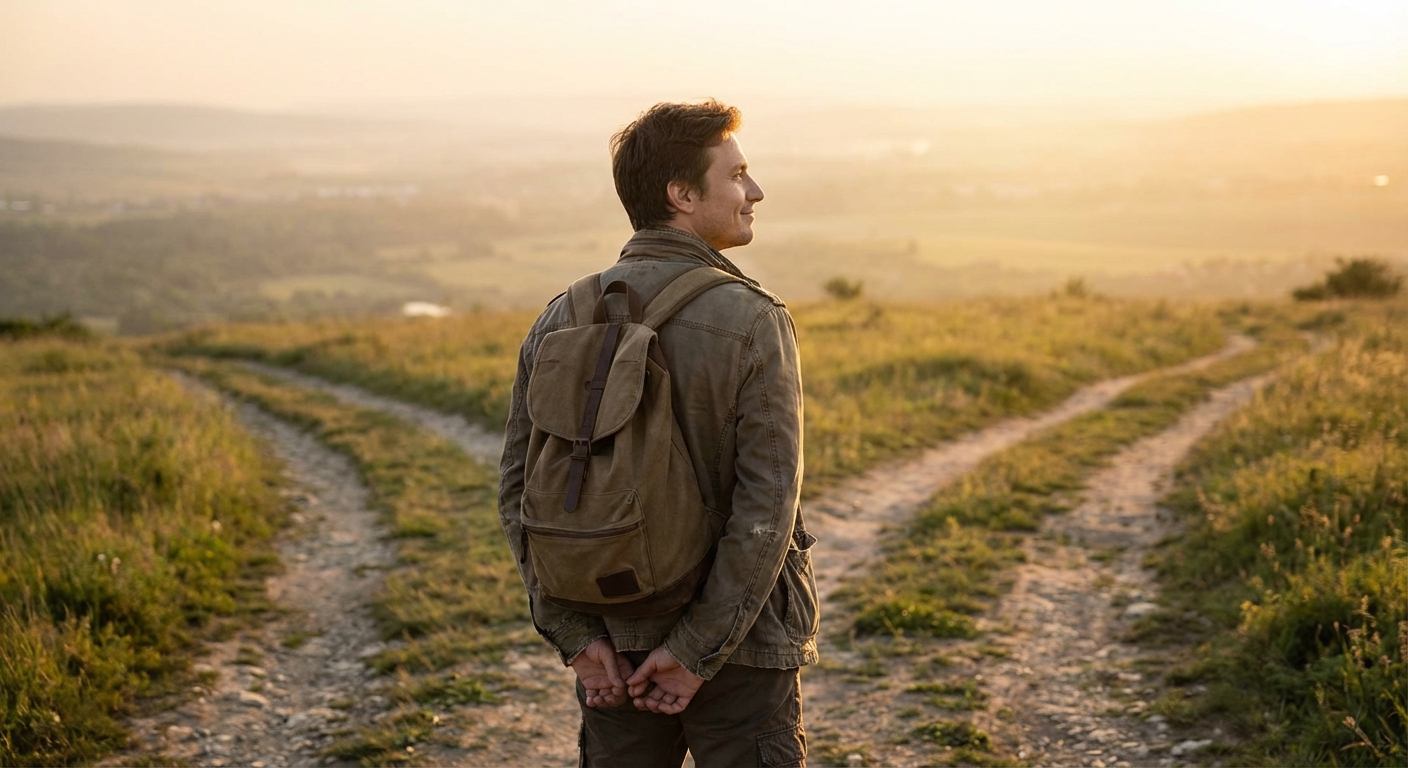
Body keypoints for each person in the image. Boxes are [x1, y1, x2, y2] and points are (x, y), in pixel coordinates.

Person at [498, 99, 817, 767]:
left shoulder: (562, 316)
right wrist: (695, 652)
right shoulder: (753, 319)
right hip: (741, 647)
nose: (754, 192)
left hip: (612, 644)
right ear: (680, 194)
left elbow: (519, 496)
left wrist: (576, 637)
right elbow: (767, 512)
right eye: (736, 175)